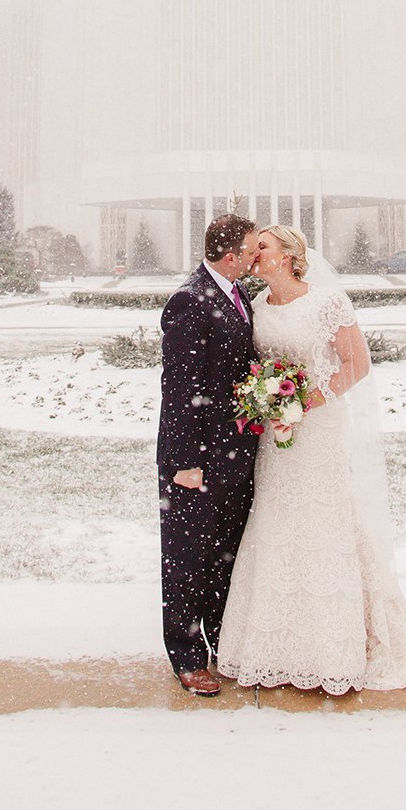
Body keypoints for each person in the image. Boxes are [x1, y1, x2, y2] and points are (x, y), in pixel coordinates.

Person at [216, 224, 406, 695]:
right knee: (276, 523)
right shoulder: (257, 307)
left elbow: (355, 364)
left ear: (287, 254)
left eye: (261, 247)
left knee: (323, 524)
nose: (252, 254)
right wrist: (265, 401)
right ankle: (276, 647)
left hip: (319, 432)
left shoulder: (328, 303)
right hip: (274, 440)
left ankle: (333, 649)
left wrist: (302, 403)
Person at [156, 213, 260, 695]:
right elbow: (179, 389)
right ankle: (188, 656)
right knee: (187, 559)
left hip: (236, 457)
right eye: (253, 248)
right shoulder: (189, 301)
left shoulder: (240, 297)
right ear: (230, 254)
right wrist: (184, 463)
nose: (258, 255)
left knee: (224, 557)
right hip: (196, 460)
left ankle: (221, 641)